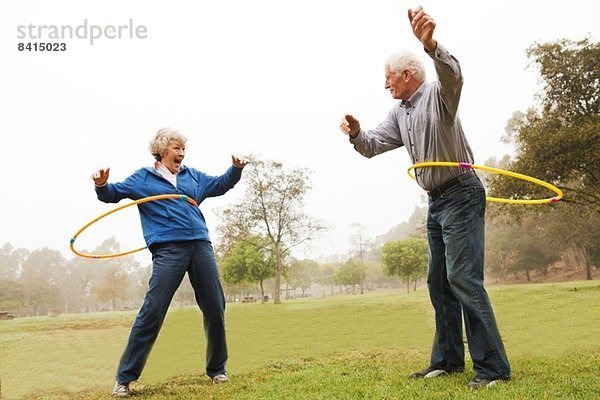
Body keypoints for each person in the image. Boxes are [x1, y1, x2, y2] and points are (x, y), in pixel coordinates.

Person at [339, 6, 511, 389]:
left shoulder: (439, 95)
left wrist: (431, 45)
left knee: (463, 278)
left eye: (388, 78)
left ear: (406, 75)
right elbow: (370, 146)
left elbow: (454, 75)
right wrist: (355, 132)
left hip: (462, 193)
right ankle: (448, 360)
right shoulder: (399, 113)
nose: (385, 85)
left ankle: (494, 369)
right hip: (435, 202)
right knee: (438, 282)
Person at [91, 128, 249, 397]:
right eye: (176, 148)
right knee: (152, 311)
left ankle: (217, 370)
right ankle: (124, 379)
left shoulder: (193, 176)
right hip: (168, 249)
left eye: (183, 148)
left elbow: (220, 184)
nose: (181, 153)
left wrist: (235, 169)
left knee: (215, 306)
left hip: (200, 244)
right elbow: (112, 194)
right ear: (162, 150)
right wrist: (101, 184)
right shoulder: (143, 178)